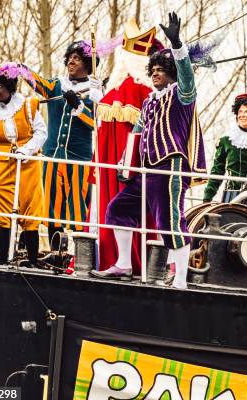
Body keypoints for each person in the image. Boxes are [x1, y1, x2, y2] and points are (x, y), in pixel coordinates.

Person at [91, 11, 206, 288]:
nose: (154, 74)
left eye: (160, 70)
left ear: (171, 74)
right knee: (117, 208)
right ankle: (123, 264)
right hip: (144, 170)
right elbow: (137, 134)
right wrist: (125, 164)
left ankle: (180, 280)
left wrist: (177, 44)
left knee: (171, 223)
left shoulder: (182, 95)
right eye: (152, 70)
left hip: (169, 167)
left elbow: (188, 76)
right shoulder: (149, 102)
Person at [90, 20, 163, 275]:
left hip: (130, 166)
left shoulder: (141, 90)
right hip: (112, 163)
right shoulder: (119, 86)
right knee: (114, 209)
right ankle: (119, 261)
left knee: (128, 209)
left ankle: (131, 262)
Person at [24, 41, 103, 249]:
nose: (70, 61)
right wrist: (20, 69)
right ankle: (56, 253)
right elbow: (38, 83)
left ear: (87, 63)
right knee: (52, 209)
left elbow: (96, 124)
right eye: (69, 57)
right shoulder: (57, 86)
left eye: (76, 58)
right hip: (52, 157)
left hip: (79, 160)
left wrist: (78, 105)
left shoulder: (95, 92)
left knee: (78, 209)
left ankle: (78, 258)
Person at [0, 63, 47, 265]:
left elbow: (41, 133)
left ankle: (33, 260)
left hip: (27, 163)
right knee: (2, 210)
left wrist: (27, 150)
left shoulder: (27, 105)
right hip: (1, 166)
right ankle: (3, 259)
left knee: (30, 207)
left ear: (9, 86)